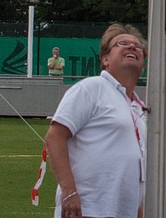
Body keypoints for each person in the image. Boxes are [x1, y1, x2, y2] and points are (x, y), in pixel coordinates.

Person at [44, 24, 147, 218]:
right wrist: (69, 192)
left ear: (144, 64)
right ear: (105, 59)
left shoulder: (138, 108)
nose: (132, 47)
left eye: (138, 46)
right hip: (87, 210)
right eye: (122, 43)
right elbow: (55, 136)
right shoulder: (92, 88)